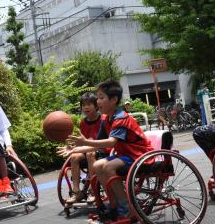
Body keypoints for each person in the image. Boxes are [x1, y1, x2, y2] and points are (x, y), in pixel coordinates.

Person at [67, 80, 153, 220]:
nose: (98, 101)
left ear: (114, 100)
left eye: (101, 98)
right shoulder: (107, 118)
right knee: (97, 165)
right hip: (125, 155)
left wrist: (84, 142)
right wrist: (75, 149)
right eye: (98, 98)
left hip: (138, 154)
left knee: (107, 166)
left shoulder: (121, 118)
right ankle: (113, 204)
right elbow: (98, 144)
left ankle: (126, 207)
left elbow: (111, 142)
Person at [57, 92, 105, 205]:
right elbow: (82, 140)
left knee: (90, 153)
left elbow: (102, 141)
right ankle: (76, 191)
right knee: (74, 156)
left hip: (102, 149)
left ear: (96, 106)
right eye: (83, 105)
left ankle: (93, 190)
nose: (86, 107)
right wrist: (73, 146)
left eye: (89, 104)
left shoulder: (103, 119)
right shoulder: (83, 122)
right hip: (88, 148)